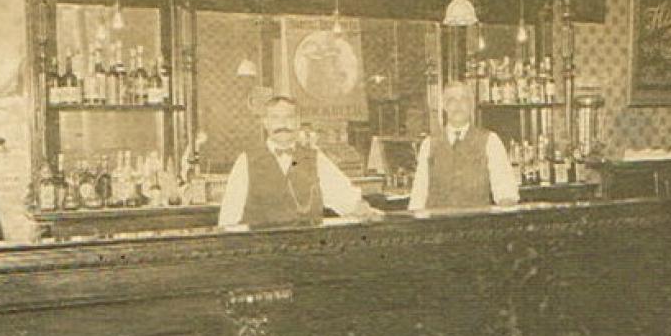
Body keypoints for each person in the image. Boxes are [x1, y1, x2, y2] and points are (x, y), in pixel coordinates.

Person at [218, 96, 382, 228]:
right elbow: (229, 217)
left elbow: (346, 198)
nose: (282, 124)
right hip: (262, 254)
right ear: (265, 123)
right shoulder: (246, 160)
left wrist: (367, 211)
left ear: (297, 122)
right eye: (275, 118)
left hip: (306, 252)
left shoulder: (316, 158)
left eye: (289, 118)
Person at [408, 81, 519, 209]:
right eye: (451, 100)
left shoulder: (490, 141)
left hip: (475, 225)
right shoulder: (429, 144)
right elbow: (418, 196)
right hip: (438, 225)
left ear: (471, 105)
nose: (458, 105)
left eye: (464, 100)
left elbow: (506, 191)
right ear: (444, 106)